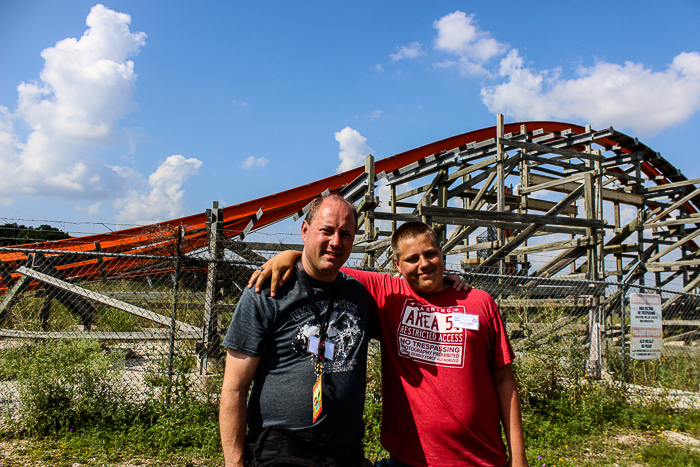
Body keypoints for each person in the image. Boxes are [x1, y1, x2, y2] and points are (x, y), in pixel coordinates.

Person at [250, 221, 528, 467]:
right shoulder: (388, 293)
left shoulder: (479, 302)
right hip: (408, 457)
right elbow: (326, 264)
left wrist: (519, 459)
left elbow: (505, 381)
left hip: (479, 458)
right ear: (397, 265)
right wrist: (291, 255)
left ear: (442, 254)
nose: (424, 264)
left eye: (430, 254)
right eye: (412, 258)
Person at [219, 194, 377, 467]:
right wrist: (234, 464)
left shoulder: (359, 295)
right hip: (284, 449)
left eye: (345, 234)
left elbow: (410, 288)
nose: (335, 242)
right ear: (304, 231)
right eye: (326, 231)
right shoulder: (267, 291)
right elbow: (234, 388)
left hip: (345, 451)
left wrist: (444, 282)